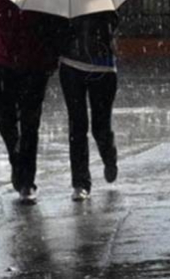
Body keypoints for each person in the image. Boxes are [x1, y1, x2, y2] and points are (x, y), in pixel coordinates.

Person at [0, 0, 63, 204]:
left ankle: (26, 181)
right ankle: (18, 161)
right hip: (6, 62)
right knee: (3, 117)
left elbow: (52, 25)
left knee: (30, 123)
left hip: (35, 64)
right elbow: (0, 19)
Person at [59, 11, 119, 202]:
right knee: (77, 126)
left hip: (102, 67)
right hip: (71, 64)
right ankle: (80, 183)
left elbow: (114, 21)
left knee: (100, 127)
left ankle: (109, 156)